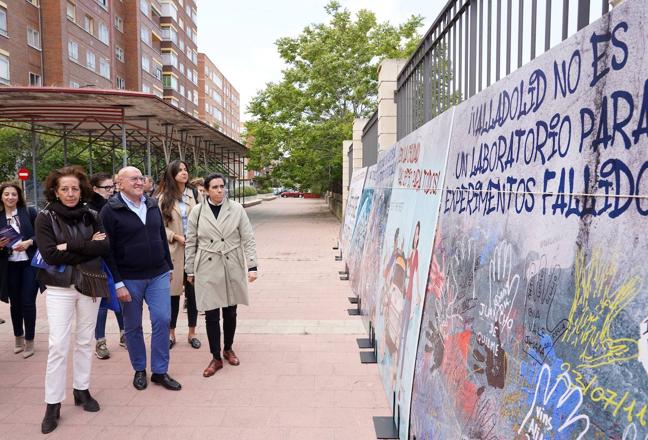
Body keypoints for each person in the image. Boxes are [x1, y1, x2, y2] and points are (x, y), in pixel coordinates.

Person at [34, 166, 111, 434]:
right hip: (58, 287)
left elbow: (104, 247)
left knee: (84, 339)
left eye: (75, 188)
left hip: (89, 282)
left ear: (82, 190)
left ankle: (82, 390)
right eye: (64, 189)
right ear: (55, 191)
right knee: (58, 344)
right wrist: (85, 245)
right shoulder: (45, 218)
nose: (70, 193)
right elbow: (50, 255)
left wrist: (69, 246)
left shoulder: (92, 214)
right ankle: (52, 404)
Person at [100, 166, 181, 392]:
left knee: (162, 319)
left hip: (158, 274)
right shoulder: (110, 211)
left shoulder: (152, 204)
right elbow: (108, 250)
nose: (139, 182)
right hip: (129, 278)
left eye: (141, 178)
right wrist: (117, 283)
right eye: (133, 179)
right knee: (133, 326)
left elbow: (160, 237)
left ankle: (160, 371)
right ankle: (139, 369)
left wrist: (168, 265)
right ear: (120, 183)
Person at [185, 173, 258, 377]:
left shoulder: (236, 209)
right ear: (206, 190)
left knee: (231, 311)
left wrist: (252, 266)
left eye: (222, 186)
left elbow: (248, 238)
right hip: (207, 265)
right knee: (210, 313)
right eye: (215, 187)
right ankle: (215, 357)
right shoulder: (197, 212)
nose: (220, 190)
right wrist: (189, 269)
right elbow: (191, 242)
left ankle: (228, 348)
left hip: (231, 263)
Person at [156, 160, 201, 350]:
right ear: (172, 174)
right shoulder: (163, 198)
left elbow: (202, 220)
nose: (184, 173)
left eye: (185, 169)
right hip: (174, 251)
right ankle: (171, 333)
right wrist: (175, 236)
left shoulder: (195, 195)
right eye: (180, 170)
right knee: (172, 296)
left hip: (194, 251)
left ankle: (192, 333)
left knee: (193, 295)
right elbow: (158, 228)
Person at [88, 173, 126, 359]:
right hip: (97, 263)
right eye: (107, 188)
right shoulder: (87, 209)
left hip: (115, 260)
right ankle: (100, 341)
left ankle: (124, 334)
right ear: (95, 189)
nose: (111, 191)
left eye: (113, 187)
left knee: (121, 297)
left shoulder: (115, 205)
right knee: (102, 302)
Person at [0, 182, 38, 358]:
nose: (10, 197)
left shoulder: (29, 213)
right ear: (2, 196)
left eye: (13, 194)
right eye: (6, 194)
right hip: (9, 265)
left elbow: (41, 234)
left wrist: (29, 242)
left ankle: (30, 341)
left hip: (29, 264)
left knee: (28, 302)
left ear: (19, 196)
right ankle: (18, 337)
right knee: (15, 303)